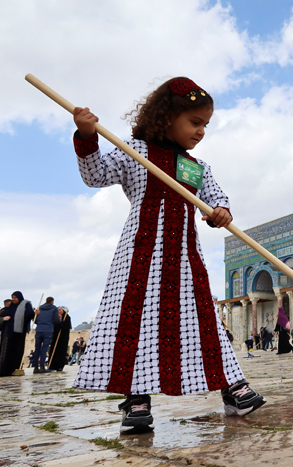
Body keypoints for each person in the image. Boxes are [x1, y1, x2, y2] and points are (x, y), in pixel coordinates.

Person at [70, 77, 265, 433]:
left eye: (205, 124)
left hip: (185, 260)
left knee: (203, 321)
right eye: (195, 122)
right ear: (167, 118)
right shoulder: (135, 151)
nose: (201, 131)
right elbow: (96, 175)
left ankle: (232, 389)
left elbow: (215, 197)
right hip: (139, 259)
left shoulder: (196, 167)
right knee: (135, 323)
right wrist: (86, 136)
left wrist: (221, 211)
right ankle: (137, 399)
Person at [0, 292, 35, 376]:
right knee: (6, 352)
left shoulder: (25, 305)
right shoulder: (10, 308)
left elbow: (29, 315)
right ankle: (4, 370)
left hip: (18, 334)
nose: (14, 299)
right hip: (8, 333)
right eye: (12, 297)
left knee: (17, 352)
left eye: (15, 297)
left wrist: (34, 313)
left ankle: (14, 369)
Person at [32, 297, 61, 374]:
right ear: (52, 302)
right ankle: (42, 366)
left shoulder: (40, 308)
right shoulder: (54, 308)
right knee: (44, 349)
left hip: (39, 330)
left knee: (37, 349)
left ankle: (35, 367)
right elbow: (56, 320)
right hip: (48, 330)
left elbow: (35, 320)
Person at [48, 306, 72, 371]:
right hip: (55, 337)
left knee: (61, 351)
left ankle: (60, 366)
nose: (59, 311)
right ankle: (51, 366)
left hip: (63, 338)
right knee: (54, 351)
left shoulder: (67, 317)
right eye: (58, 310)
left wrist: (61, 322)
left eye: (60, 309)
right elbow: (54, 326)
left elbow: (66, 327)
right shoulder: (55, 317)